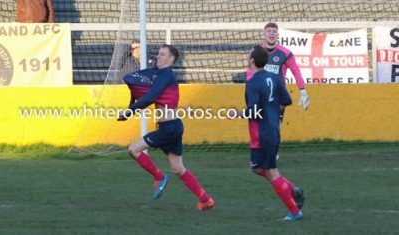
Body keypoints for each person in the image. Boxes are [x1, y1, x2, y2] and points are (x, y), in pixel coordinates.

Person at [118, 44, 215, 211]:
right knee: (178, 168)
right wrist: (131, 104)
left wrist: (129, 112)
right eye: (159, 54)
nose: (158, 57)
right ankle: (206, 200)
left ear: (171, 59)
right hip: (173, 126)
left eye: (163, 55)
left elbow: (150, 97)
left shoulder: (166, 75)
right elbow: (141, 90)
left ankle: (160, 177)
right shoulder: (160, 75)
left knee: (133, 149)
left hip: (169, 128)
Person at [230, 45, 304, 221]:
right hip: (272, 129)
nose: (247, 58)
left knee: (271, 171)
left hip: (261, 134)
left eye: (248, 56)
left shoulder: (253, 82)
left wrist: (236, 113)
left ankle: (294, 211)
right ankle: (293, 189)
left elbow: (253, 111)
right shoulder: (275, 77)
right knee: (257, 168)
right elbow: (286, 100)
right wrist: (272, 113)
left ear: (252, 61)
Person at [247, 22, 310, 113]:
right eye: (269, 31)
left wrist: (303, 91)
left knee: (275, 125)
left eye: (274, 31)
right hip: (260, 95)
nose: (271, 33)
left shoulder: (286, 53)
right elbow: (250, 72)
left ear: (278, 35)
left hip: (278, 96)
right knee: (262, 126)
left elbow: (296, 72)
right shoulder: (256, 52)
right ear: (264, 34)